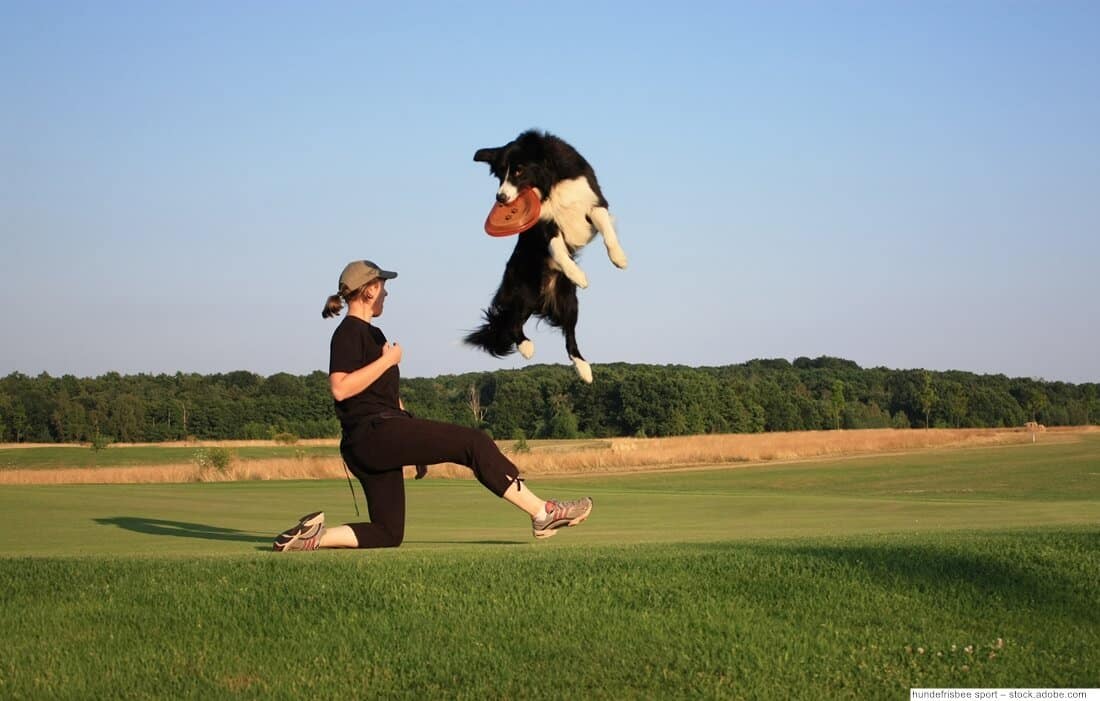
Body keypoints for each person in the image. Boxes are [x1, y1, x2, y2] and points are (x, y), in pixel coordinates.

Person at [273, 259, 593, 551]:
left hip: (378, 437)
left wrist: (413, 440)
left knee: (388, 534)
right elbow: (340, 388)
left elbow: (384, 396)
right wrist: (389, 361)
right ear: (370, 290)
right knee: (474, 443)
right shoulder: (348, 332)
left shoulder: (374, 333)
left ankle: (315, 537)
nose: (386, 294)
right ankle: (543, 513)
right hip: (372, 434)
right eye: (383, 287)